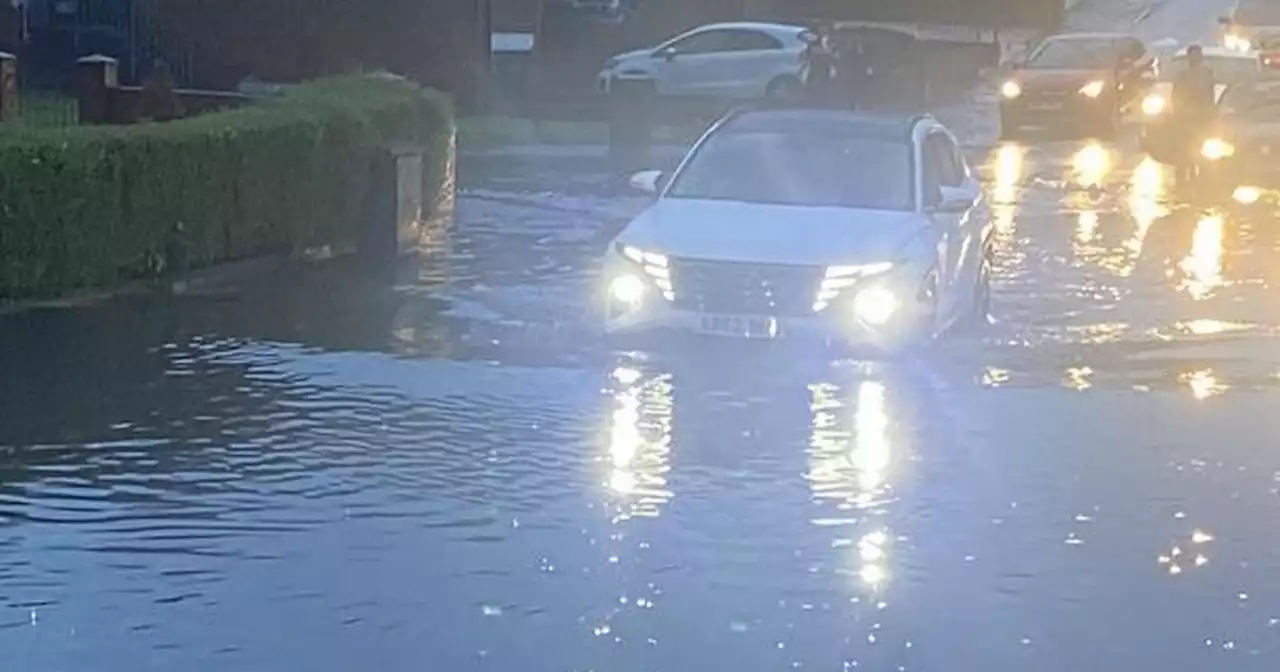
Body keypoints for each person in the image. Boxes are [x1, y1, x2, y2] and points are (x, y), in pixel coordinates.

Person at [1170, 44, 1217, 183]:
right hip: (1186, 116)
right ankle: (1183, 172)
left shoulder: (1207, 73)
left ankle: (1202, 172)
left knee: (1202, 144)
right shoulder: (1183, 74)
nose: (1195, 57)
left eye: (1197, 54)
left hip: (1203, 116)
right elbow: (1176, 94)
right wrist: (1180, 110)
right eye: (1192, 55)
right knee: (1185, 146)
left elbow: (1210, 93)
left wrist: (1210, 110)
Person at [801, 24, 838, 103]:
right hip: (815, 65)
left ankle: (825, 99)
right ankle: (813, 99)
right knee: (814, 82)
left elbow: (835, 54)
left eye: (825, 30)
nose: (823, 32)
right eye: (822, 30)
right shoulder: (813, 41)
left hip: (826, 66)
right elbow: (808, 52)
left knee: (825, 82)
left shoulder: (831, 41)